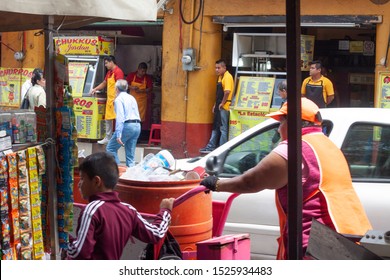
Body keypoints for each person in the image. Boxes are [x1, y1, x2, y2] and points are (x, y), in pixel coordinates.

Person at [200, 97, 372, 260]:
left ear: (294, 122)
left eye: (281, 122)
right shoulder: (326, 145)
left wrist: (216, 184)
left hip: (314, 247)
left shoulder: (295, 148)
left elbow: (251, 181)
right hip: (346, 238)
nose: (278, 129)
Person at [65, 152, 174, 260]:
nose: (79, 183)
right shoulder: (128, 210)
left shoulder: (91, 210)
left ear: (96, 181)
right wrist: (165, 210)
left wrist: (63, 239)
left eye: (83, 178)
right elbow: (156, 233)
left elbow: (79, 252)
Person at [200, 59, 234, 153]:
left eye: (218, 68)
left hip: (224, 107)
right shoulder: (220, 77)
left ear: (224, 67)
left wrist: (222, 103)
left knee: (223, 128)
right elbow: (219, 93)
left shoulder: (227, 77)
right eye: (215, 68)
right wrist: (215, 104)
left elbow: (227, 92)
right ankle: (211, 146)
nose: (216, 70)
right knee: (216, 126)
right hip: (219, 105)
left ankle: (222, 149)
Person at [106, 79, 141, 167]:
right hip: (137, 125)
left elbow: (120, 118)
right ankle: (130, 175)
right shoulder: (132, 97)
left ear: (116, 89)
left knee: (110, 148)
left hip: (127, 125)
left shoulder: (119, 99)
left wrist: (118, 134)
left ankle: (118, 170)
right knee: (130, 155)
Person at [90, 56, 125, 145]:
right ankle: (108, 137)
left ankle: (119, 137)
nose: (105, 65)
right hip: (110, 100)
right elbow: (104, 83)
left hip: (117, 100)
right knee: (108, 119)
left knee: (118, 119)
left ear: (111, 62)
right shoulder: (109, 72)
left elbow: (120, 86)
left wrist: (117, 98)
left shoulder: (118, 72)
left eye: (106, 63)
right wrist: (94, 89)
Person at [272, 80, 288, 144]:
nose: (279, 94)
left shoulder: (286, 104)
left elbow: (283, 122)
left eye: (279, 92)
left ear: (284, 91)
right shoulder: (299, 100)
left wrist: (273, 141)